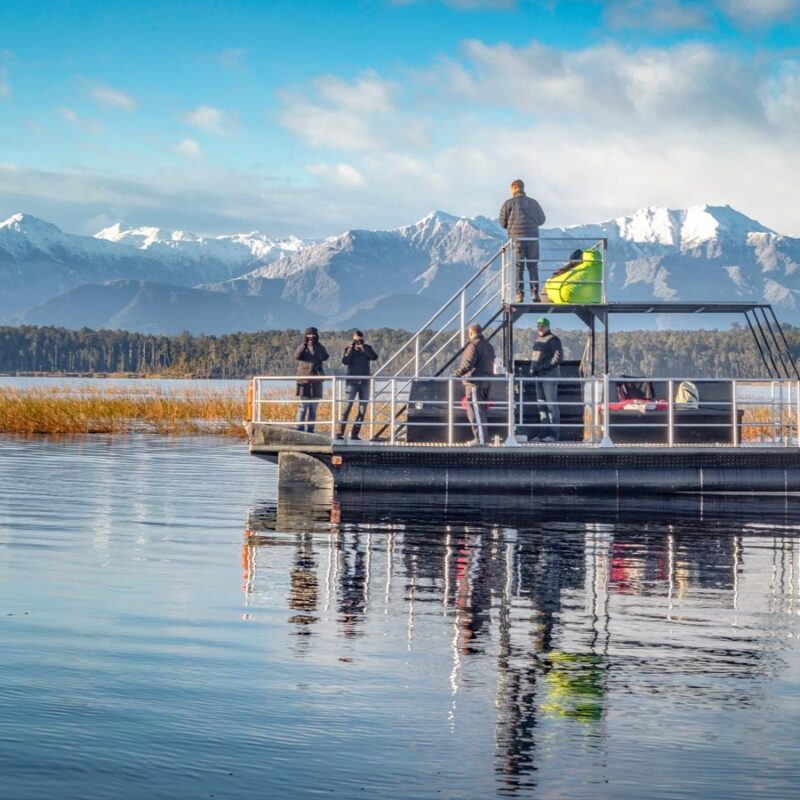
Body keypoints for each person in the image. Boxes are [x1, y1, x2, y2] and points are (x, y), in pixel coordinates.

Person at [499, 179, 547, 304]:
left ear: (513, 188)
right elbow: (542, 220)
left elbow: (502, 222)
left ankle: (519, 294)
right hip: (532, 239)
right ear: (523, 188)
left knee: (518, 267)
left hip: (517, 240)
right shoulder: (533, 203)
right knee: (532, 266)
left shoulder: (508, 204)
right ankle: (535, 293)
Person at [453, 323, 496, 445]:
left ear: (471, 333)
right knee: (481, 412)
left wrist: (456, 374)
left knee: (475, 412)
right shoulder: (489, 346)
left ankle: (480, 440)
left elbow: (467, 364)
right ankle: (483, 439)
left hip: (474, 383)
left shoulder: (473, 346)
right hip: (487, 383)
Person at [336, 329, 378, 440]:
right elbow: (345, 361)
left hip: (364, 383)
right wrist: (351, 349)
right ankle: (340, 432)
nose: (358, 343)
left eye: (360, 340)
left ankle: (355, 434)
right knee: (347, 408)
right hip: (352, 382)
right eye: (356, 340)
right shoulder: (349, 349)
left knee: (362, 410)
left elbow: (374, 357)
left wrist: (363, 348)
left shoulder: (367, 348)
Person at [530, 317, 563, 442]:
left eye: (542, 326)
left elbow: (558, 357)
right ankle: (543, 434)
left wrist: (544, 367)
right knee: (541, 406)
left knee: (551, 406)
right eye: (538, 325)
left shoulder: (553, 340)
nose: (540, 328)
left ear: (548, 327)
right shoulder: (538, 340)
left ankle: (554, 435)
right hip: (538, 376)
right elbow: (535, 357)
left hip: (549, 376)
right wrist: (532, 368)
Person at [295, 326, 329, 433]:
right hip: (303, 381)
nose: (310, 337)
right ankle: (299, 429)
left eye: (313, 335)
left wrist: (317, 346)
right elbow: (296, 356)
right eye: (308, 335)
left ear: (316, 336)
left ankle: (310, 429)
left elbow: (325, 357)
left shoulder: (320, 347)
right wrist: (304, 345)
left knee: (313, 409)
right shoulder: (302, 347)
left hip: (316, 382)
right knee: (302, 407)